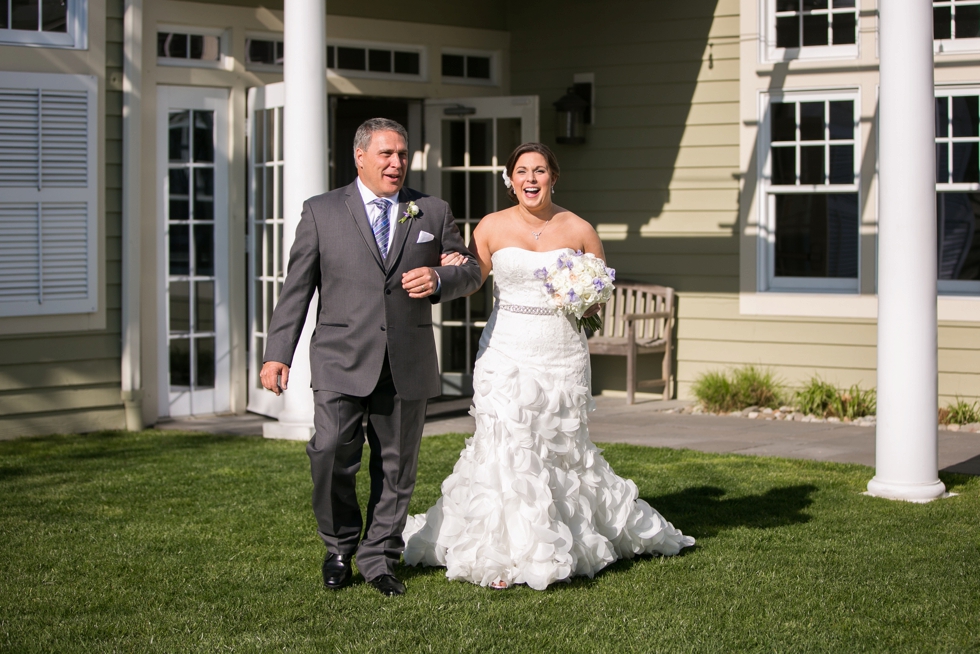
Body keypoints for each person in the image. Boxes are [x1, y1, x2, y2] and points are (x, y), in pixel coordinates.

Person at [402, 142, 694, 590]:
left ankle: (565, 539)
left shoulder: (579, 228)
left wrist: (586, 295)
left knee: (559, 447)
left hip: (561, 352)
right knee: (506, 444)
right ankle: (502, 550)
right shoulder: (491, 227)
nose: (531, 179)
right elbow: (472, 277)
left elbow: (597, 295)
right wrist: (443, 271)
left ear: (554, 177)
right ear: (510, 179)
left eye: (540, 171)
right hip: (505, 350)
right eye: (522, 171)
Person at [260, 118, 482, 597]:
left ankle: (380, 557)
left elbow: (470, 269)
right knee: (331, 453)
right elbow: (296, 288)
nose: (396, 163)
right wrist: (279, 353)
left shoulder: (431, 211)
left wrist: (441, 281)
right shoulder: (321, 212)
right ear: (360, 157)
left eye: (402, 154)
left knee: (397, 465)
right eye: (386, 154)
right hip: (340, 356)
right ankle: (339, 546)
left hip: (407, 358)